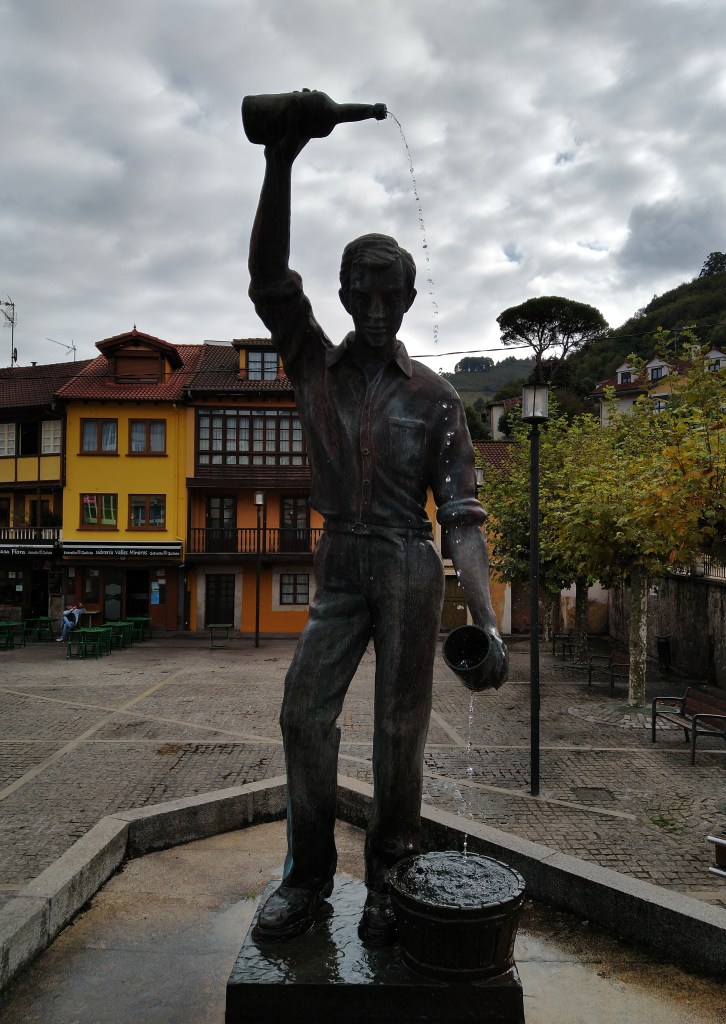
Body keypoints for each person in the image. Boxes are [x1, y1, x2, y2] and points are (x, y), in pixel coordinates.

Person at [246, 92, 507, 947]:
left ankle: (393, 874)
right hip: (340, 561)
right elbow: (268, 280)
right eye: (363, 293)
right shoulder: (312, 365)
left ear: (410, 294)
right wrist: (280, 160)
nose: (377, 308)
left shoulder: (436, 399)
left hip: (408, 565)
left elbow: (462, 515)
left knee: (401, 729)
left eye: (392, 294)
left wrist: (487, 618)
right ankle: (307, 877)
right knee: (303, 714)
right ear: (345, 294)